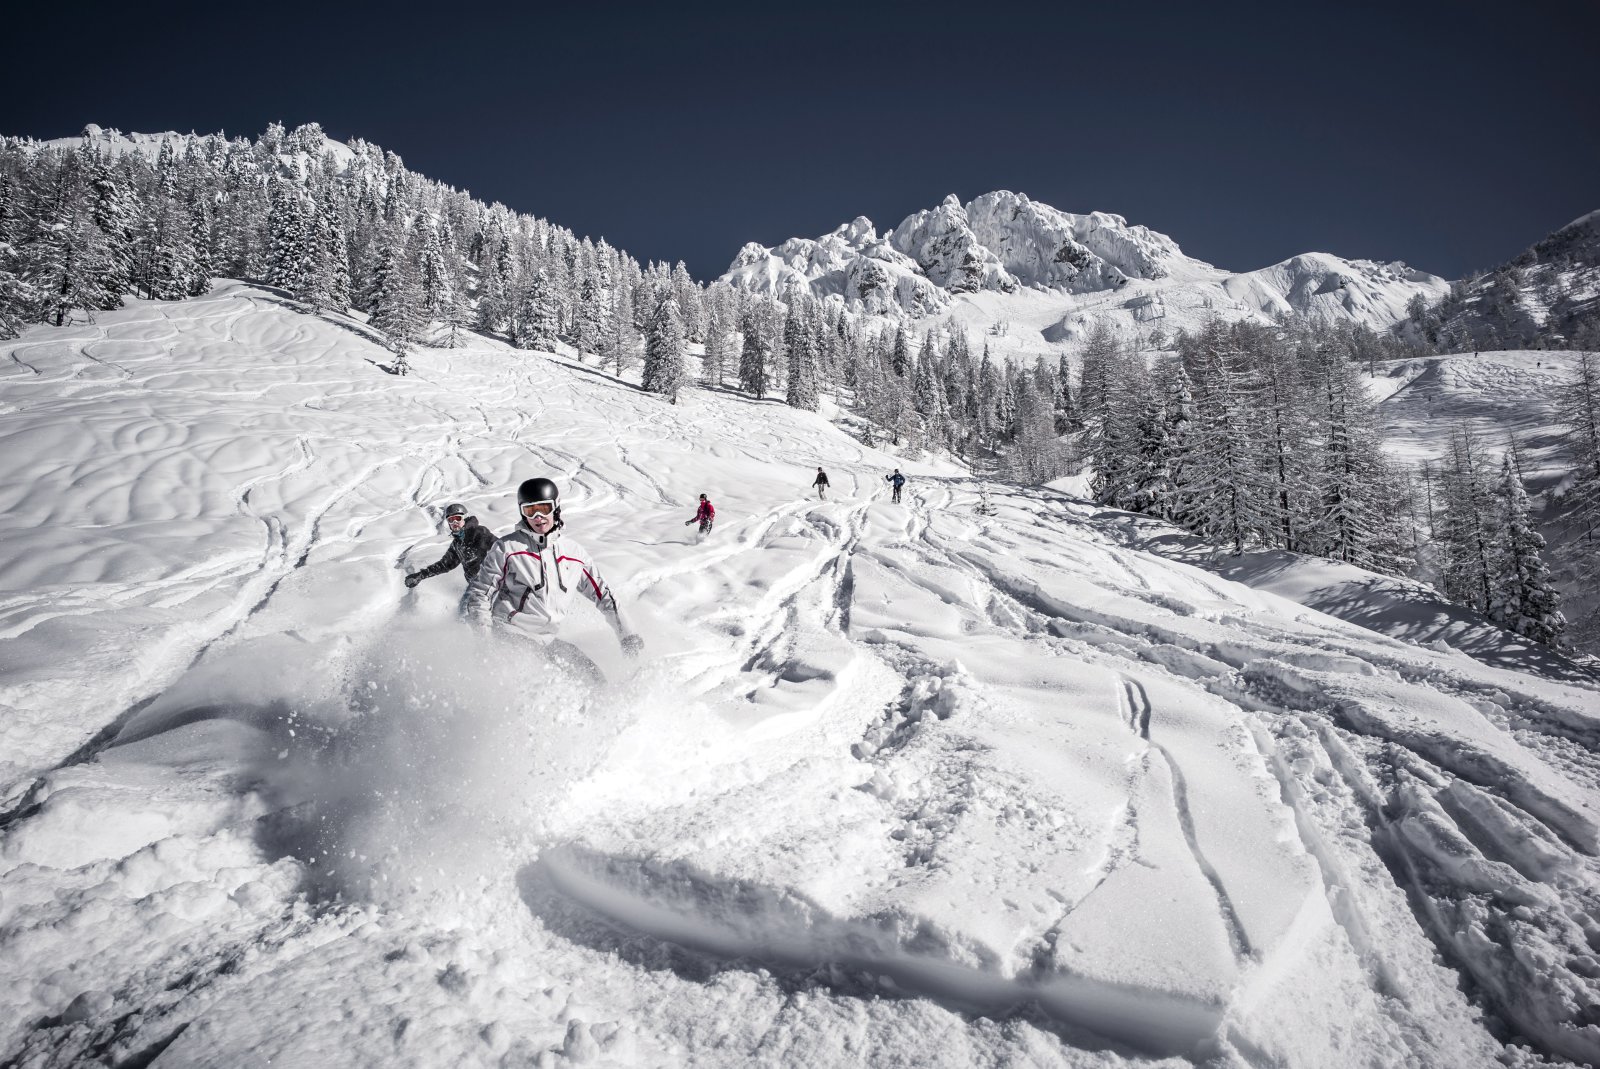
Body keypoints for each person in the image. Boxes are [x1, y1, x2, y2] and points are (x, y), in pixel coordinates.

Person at [465, 477, 644, 672]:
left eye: (544, 508)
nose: (538, 517)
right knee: (544, 677)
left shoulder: (574, 554)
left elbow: (604, 596)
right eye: (530, 511)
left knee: (591, 675)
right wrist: (485, 641)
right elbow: (481, 593)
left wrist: (628, 634)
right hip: (510, 633)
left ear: (556, 507)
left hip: (546, 641)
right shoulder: (507, 548)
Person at [405, 503, 498, 594]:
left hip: (493, 583)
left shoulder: (479, 532)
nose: (454, 522)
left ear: (465, 518)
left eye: (457, 518)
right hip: (476, 586)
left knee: (470, 607)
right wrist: (420, 575)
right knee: (465, 606)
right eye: (451, 520)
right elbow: (445, 565)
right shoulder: (457, 544)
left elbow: (501, 549)